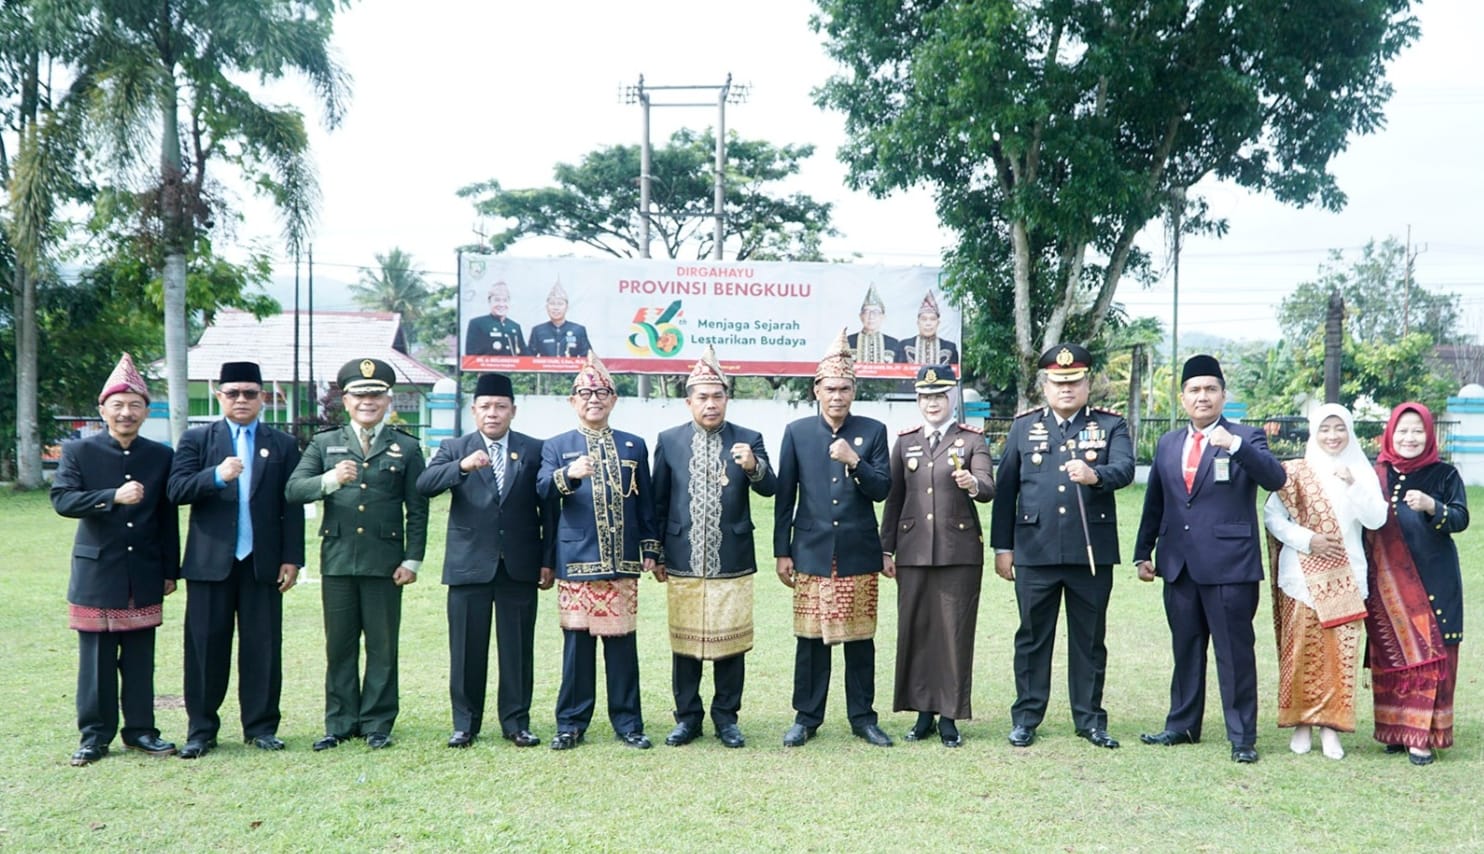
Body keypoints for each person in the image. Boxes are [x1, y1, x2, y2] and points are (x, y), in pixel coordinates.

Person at [1134, 354, 1286, 764]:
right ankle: (1181, 725)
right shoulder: (1168, 443)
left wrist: (1233, 446)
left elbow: (1275, 478)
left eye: (1210, 389)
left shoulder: (1246, 436)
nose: (1202, 397)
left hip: (1229, 565)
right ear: (1182, 398)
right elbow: (1157, 502)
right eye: (1194, 390)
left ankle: (1242, 736)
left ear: (1223, 395)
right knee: (1185, 647)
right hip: (1178, 564)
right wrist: (1142, 552)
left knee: (1234, 653)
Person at [990, 344, 1134, 750]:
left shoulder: (1110, 426)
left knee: (1089, 639)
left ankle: (1089, 719)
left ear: (1087, 383)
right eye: (1058, 382)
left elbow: (1125, 468)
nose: (1066, 389)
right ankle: (1026, 718)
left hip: (1090, 551)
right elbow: (1006, 493)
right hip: (1035, 550)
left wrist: (1095, 475)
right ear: (1045, 385)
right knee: (1033, 637)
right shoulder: (1024, 427)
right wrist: (1003, 547)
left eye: (1074, 381)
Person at [286, 358, 429, 751]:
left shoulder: (407, 446)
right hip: (338, 560)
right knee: (340, 645)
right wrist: (331, 479)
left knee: (383, 646)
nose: (368, 402)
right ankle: (340, 722)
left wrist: (411, 560)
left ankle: (378, 723)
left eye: (376, 395)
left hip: (386, 563)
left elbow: (417, 509)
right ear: (345, 401)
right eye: (359, 395)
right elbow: (294, 490)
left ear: (388, 399)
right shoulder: (323, 443)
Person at [167, 361, 304, 758]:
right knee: (205, 645)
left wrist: (292, 558)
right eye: (233, 393)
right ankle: (202, 729)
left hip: (262, 562)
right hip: (211, 562)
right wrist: (215, 476)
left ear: (263, 397)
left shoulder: (281, 443)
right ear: (219, 395)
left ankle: (261, 727)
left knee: (263, 645)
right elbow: (176, 490)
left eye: (250, 393)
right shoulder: (197, 439)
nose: (241, 400)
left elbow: (290, 505)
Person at [51, 353, 180, 766]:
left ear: (146, 410)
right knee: (96, 662)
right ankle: (94, 736)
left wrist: (170, 569)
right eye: (118, 405)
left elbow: (167, 516)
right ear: (103, 408)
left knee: (140, 658)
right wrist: (111, 497)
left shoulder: (160, 456)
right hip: (96, 570)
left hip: (143, 569)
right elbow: (63, 499)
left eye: (135, 405)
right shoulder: (79, 451)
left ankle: (141, 730)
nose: (126, 413)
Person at [416, 373, 556, 749]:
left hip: (519, 566)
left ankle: (516, 722)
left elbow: (548, 509)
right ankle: (465, 724)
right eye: (485, 407)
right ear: (473, 410)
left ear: (513, 410)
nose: (492, 414)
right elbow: (424, 485)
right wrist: (461, 467)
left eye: (500, 407)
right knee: (465, 649)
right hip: (468, 566)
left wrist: (548, 560)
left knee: (517, 649)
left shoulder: (533, 449)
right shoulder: (454, 447)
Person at [652, 346, 777, 749]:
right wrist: (654, 551)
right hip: (682, 555)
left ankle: (727, 718)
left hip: (732, 557)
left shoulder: (748, 439)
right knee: (685, 645)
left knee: (731, 643)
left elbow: (771, 487)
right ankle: (687, 718)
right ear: (689, 401)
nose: (710, 404)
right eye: (702, 397)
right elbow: (657, 499)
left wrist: (752, 467)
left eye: (717, 396)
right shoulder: (669, 441)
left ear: (727, 398)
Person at [775, 329, 894, 747]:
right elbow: (785, 495)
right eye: (830, 388)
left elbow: (882, 489)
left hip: (859, 551)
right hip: (810, 550)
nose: (838, 396)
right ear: (817, 390)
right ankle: (806, 718)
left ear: (854, 390)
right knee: (810, 641)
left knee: (861, 640)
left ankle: (863, 718)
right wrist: (781, 551)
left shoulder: (874, 430)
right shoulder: (797, 432)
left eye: (845, 388)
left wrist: (854, 460)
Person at [537, 352, 661, 750]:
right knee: (577, 648)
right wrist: (567, 476)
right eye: (585, 392)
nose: (594, 398)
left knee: (623, 646)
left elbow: (647, 503)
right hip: (575, 560)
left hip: (622, 560)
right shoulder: (557, 446)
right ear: (572, 400)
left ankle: (628, 724)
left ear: (613, 399)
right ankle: (571, 724)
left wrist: (650, 547)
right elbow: (540, 491)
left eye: (602, 391)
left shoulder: (633, 445)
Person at [1262, 403, 1386, 761]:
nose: (1332, 436)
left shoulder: (1362, 471)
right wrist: (1307, 539)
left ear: (1349, 432)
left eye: (1339, 429)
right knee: (1300, 650)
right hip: (1301, 574)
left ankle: (1331, 729)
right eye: (1325, 429)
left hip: (1346, 577)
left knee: (1339, 655)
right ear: (1313, 434)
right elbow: (1273, 517)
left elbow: (1376, 520)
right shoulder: (1295, 472)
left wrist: (1352, 484)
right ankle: (1301, 724)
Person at [880, 364, 994, 748]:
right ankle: (922, 712)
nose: (933, 403)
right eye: (926, 397)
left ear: (952, 399)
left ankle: (949, 716)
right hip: (913, 551)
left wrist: (973, 484)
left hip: (958, 551)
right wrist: (885, 548)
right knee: (917, 631)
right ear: (918, 400)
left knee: (953, 634)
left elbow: (989, 486)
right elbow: (895, 499)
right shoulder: (905, 441)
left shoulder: (972, 439)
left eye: (940, 396)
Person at [1363, 402, 1469, 766]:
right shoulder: (1375, 472)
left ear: (1429, 434)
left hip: (1433, 579)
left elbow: (1460, 518)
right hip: (1386, 582)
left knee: (1429, 655)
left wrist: (1431, 506)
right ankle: (1396, 731)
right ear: (1391, 433)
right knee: (1394, 654)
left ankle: (1422, 737)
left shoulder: (1444, 474)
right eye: (1402, 430)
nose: (1409, 438)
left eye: (1417, 430)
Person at [527, 280, 591, 357]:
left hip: (571, 369)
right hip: (546, 369)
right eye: (552, 304)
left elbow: (588, 358)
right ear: (547, 308)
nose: (556, 308)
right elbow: (529, 359)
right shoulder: (538, 330)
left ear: (567, 307)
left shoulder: (578, 330)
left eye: (560, 304)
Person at [896, 290, 959, 366]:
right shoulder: (904, 346)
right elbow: (897, 374)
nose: (928, 323)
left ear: (938, 323)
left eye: (932, 319)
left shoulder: (950, 347)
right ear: (918, 323)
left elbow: (953, 375)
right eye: (924, 319)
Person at [465, 281, 527, 356]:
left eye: (505, 300)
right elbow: (471, 356)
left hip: (511, 367)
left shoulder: (515, 326)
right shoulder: (477, 324)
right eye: (497, 300)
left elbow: (524, 355)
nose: (501, 304)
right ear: (489, 301)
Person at [847, 283, 899, 364]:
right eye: (867, 312)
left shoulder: (894, 343)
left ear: (883, 317)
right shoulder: (847, 341)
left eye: (876, 312)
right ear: (861, 316)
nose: (871, 316)